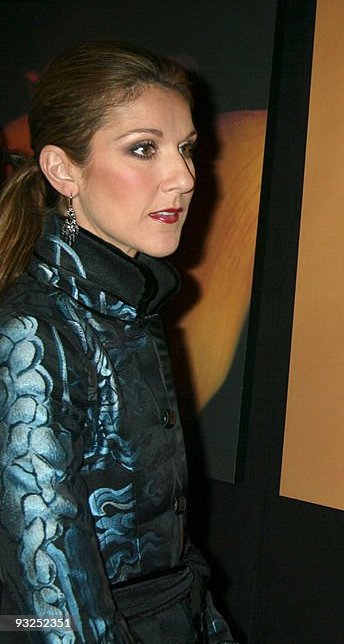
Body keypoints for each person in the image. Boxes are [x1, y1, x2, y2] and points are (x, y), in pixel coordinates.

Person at [0, 42, 234, 642]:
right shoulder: (34, 334)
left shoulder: (130, 304)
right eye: (143, 149)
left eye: (185, 149)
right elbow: (50, 599)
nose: (183, 177)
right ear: (62, 170)